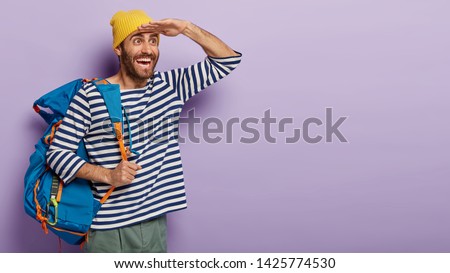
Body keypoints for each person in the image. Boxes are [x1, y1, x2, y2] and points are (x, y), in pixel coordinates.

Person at [46, 9, 241, 253]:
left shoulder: (170, 86)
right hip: (107, 228)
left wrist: (186, 28)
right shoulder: (91, 96)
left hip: (153, 222)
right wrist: (108, 176)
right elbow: (56, 154)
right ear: (119, 49)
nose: (147, 49)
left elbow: (228, 59)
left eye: (153, 40)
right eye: (137, 41)